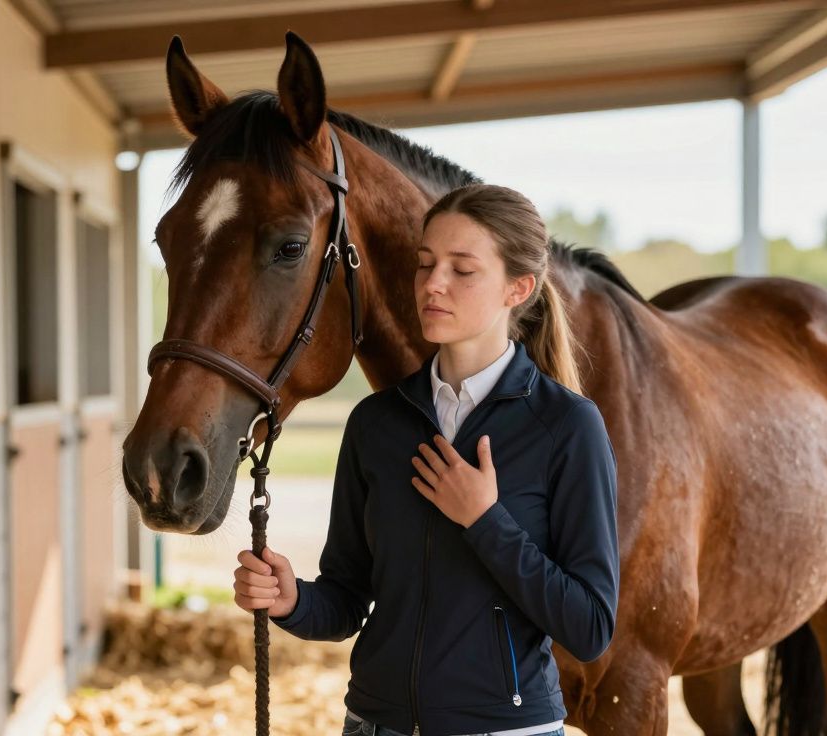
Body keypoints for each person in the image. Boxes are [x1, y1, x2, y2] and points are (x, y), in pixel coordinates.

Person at [233, 184, 620, 736]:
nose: (432, 284)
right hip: (373, 724)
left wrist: (487, 523)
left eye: (463, 270)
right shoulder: (376, 424)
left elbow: (590, 628)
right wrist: (293, 600)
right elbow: (347, 598)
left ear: (519, 288)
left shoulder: (566, 427)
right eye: (424, 264)